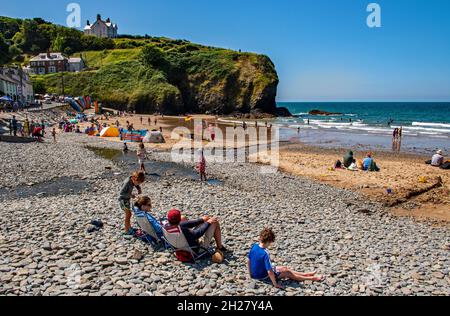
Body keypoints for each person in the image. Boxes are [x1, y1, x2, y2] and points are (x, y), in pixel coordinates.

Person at [248, 228, 323, 289]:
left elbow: (248, 260)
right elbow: (269, 271)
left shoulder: (255, 246)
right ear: (268, 241)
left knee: (284, 268)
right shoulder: (265, 253)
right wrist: (275, 284)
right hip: (264, 276)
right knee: (287, 273)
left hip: (255, 274)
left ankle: (306, 274)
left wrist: (250, 274)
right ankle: (312, 278)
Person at [119, 171, 145, 235]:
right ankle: (126, 230)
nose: (138, 184)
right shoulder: (127, 182)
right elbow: (121, 193)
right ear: (133, 179)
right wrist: (130, 195)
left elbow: (135, 184)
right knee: (128, 215)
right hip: (123, 200)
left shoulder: (133, 180)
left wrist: (139, 188)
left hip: (127, 200)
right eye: (138, 182)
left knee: (129, 214)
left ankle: (129, 227)